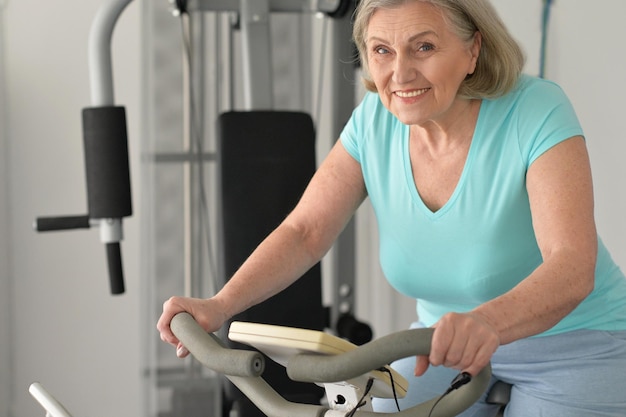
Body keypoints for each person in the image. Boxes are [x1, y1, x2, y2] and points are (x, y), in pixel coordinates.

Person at [157, 0, 626, 415]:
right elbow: (305, 231)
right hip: (439, 345)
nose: (399, 74)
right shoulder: (374, 120)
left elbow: (572, 265)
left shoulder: (535, 110)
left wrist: (487, 322)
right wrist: (219, 305)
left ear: (472, 51)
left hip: (573, 343)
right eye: (382, 50)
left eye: (424, 48)